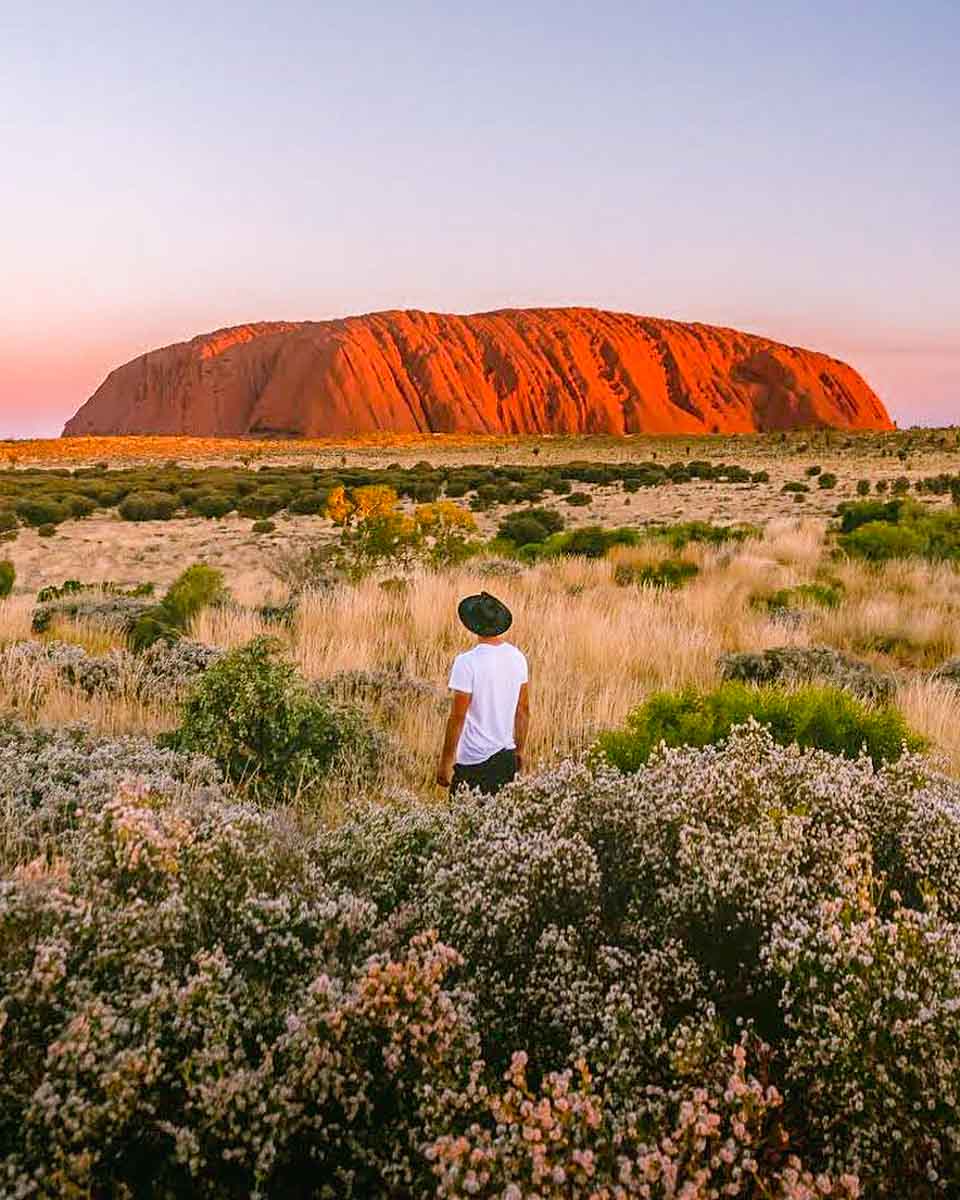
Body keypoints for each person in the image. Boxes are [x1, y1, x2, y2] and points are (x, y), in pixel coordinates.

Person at [436, 591, 529, 796]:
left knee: (463, 823)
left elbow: (457, 717)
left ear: (473, 625)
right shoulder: (518, 658)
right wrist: (519, 750)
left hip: (473, 761)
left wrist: (445, 761)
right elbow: (523, 710)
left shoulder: (467, 662)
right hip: (505, 757)